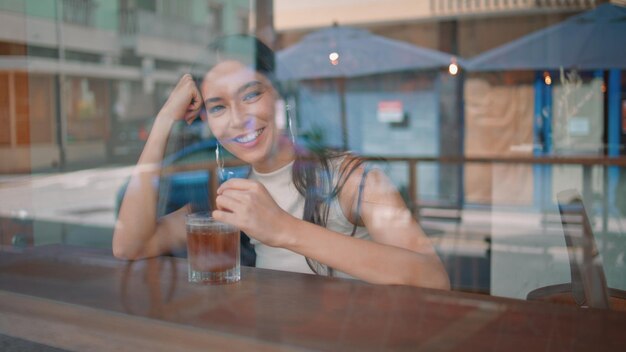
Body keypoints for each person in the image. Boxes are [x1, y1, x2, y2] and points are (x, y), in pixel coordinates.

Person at [112, 36, 450, 289]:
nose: (237, 119)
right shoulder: (231, 189)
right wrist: (163, 122)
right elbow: (131, 245)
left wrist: (283, 229)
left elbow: (434, 279)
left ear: (280, 96)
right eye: (217, 107)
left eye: (251, 94)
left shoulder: (352, 177)